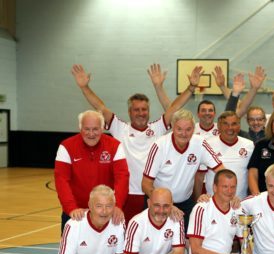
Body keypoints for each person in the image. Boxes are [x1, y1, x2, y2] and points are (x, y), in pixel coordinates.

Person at [71, 63, 203, 222]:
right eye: (137, 110)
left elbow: (174, 107)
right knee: (127, 236)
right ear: (129, 112)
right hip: (129, 194)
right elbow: (100, 106)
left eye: (144, 109)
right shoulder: (120, 128)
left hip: (153, 194)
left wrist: (191, 87)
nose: (141, 113)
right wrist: (85, 87)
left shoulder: (157, 128)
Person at [142, 109, 224, 227]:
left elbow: (222, 170)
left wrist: (226, 192)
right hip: (159, 204)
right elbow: (145, 184)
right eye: (179, 129)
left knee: (188, 241)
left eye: (188, 129)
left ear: (194, 129)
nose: (183, 134)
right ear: (172, 127)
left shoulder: (200, 143)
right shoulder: (159, 145)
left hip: (185, 203)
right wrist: (166, 205)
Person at [54, 110, 129, 229]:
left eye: (95, 129)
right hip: (76, 213)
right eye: (87, 129)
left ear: (102, 128)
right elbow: (61, 180)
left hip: (106, 213)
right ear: (80, 128)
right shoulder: (66, 147)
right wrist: (71, 208)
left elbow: (122, 178)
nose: (91, 134)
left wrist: (117, 205)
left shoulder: (115, 146)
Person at [200, 111, 254, 199]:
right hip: (212, 203)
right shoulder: (207, 144)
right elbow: (200, 176)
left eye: (234, 124)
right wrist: (196, 198)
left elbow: (253, 175)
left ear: (239, 126)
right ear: (219, 127)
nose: (230, 128)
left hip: (241, 203)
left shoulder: (249, 145)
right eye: (225, 124)